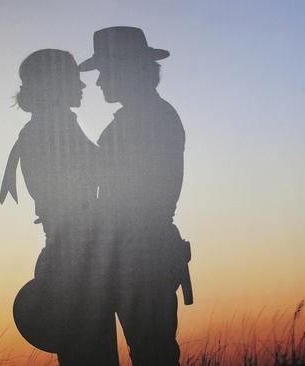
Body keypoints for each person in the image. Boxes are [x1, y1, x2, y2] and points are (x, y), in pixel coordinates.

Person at [78, 26, 192, 366]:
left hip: (141, 255)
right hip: (140, 255)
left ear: (125, 69)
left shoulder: (146, 120)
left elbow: (133, 197)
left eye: (104, 72)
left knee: (152, 354)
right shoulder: (145, 117)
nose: (98, 82)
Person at [0, 49, 119, 365]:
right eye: (74, 80)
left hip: (69, 257)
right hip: (75, 261)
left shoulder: (45, 127)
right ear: (55, 85)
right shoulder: (54, 130)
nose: (82, 87)